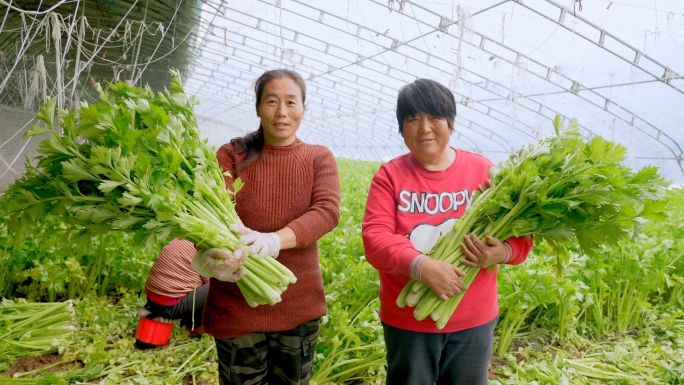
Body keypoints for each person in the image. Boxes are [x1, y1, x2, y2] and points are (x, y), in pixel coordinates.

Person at [361, 79, 533, 385]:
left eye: (434, 118)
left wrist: (502, 252)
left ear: (450, 123)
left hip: (473, 320)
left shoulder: (485, 172)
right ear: (402, 128)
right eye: (413, 119)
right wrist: (422, 266)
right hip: (408, 322)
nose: (424, 128)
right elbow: (375, 238)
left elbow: (521, 238)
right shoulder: (390, 175)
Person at [197, 68, 341, 385]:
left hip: (298, 303)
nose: (282, 112)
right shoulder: (232, 155)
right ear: (258, 107)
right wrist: (211, 258)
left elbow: (327, 210)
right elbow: (210, 217)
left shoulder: (319, 157)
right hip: (237, 302)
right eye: (272, 101)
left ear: (303, 107)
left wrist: (275, 241)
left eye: (291, 102)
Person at [138, 238, 209, 336]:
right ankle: (193, 328)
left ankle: (158, 312)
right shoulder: (207, 248)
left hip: (154, 298)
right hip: (169, 304)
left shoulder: (188, 237)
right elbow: (211, 281)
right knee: (220, 286)